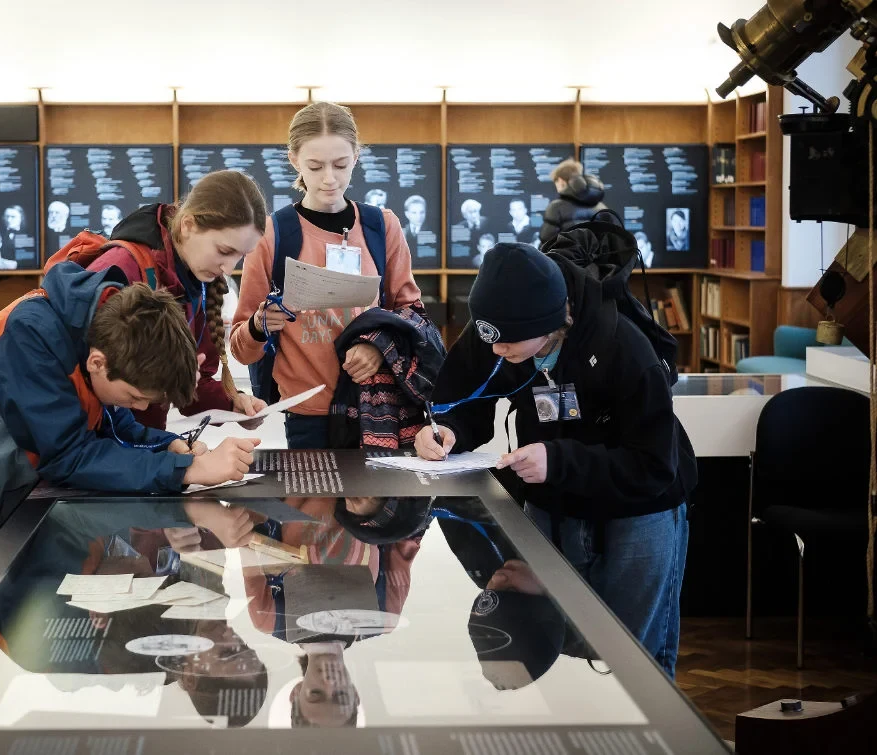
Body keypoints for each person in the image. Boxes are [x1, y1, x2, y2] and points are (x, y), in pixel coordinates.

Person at [0, 265, 261, 680]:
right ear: (98, 362)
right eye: (138, 396)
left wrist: (167, 444)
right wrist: (187, 468)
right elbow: (69, 454)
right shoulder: (31, 335)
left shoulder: (96, 335)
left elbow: (110, 418)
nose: (141, 408)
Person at [415, 243, 696, 679]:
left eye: (507, 343)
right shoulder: (498, 327)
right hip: (553, 499)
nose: (495, 351)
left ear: (550, 325)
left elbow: (653, 466)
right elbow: (461, 397)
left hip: (639, 510)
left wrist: (559, 460)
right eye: (488, 337)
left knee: (632, 658)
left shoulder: (624, 347)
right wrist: (447, 431)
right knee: (562, 647)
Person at [230, 102, 424, 449]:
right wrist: (260, 325)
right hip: (308, 415)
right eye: (315, 166)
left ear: (357, 156)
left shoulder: (383, 226)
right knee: (313, 502)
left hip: (377, 406)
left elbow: (411, 315)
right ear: (294, 160)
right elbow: (241, 348)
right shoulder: (273, 234)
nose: (329, 179)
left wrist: (379, 347)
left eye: (341, 164)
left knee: (383, 503)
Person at [46, 169, 270, 431]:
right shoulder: (121, 269)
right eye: (223, 251)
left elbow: (193, 384)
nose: (227, 268)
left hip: (142, 445)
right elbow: (91, 380)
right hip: (99, 444)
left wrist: (234, 403)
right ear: (187, 225)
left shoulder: (198, 279)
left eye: (240, 256)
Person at [540, 159, 609, 246]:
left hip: (565, 258)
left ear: (561, 181)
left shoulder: (556, 207)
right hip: (596, 259)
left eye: (556, 183)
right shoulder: (602, 207)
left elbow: (547, 243)